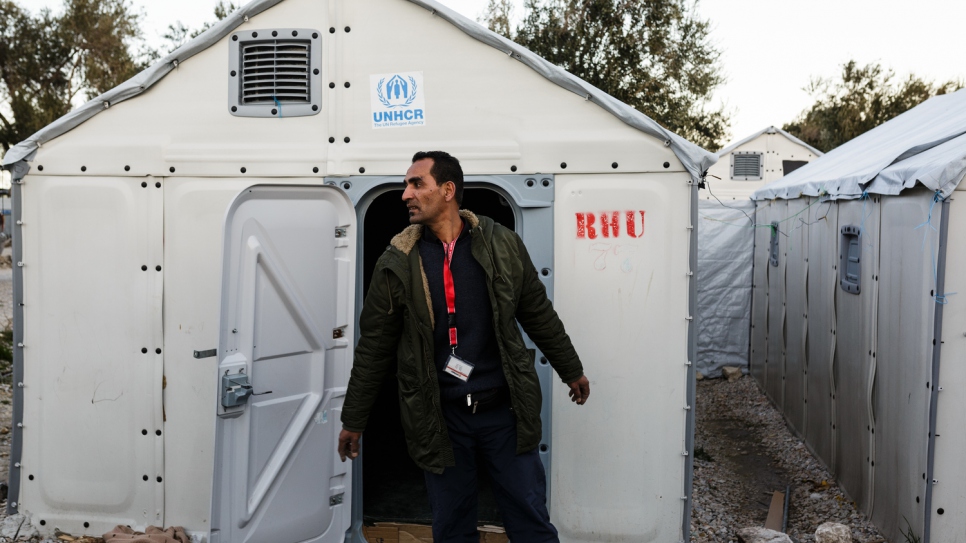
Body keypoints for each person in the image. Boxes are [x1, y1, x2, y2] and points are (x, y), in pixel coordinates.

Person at [339, 151, 590, 542]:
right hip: (440, 417)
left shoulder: (501, 244)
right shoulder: (397, 262)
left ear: (448, 190)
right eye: (406, 185)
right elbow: (374, 348)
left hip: (504, 410)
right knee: (452, 526)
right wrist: (354, 419)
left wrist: (570, 368)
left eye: (416, 183)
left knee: (529, 518)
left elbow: (537, 312)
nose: (405, 194)